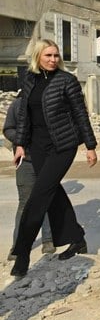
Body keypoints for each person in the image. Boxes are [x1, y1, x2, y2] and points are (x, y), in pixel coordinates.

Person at [9, 39, 98, 278]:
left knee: (38, 196)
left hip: (62, 146)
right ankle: (77, 238)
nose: (53, 59)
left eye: (56, 55)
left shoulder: (66, 81)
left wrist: (90, 145)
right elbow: (24, 118)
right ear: (38, 56)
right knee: (53, 193)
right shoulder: (28, 81)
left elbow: (81, 113)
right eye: (48, 55)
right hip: (37, 147)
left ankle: (22, 253)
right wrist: (19, 144)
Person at [4, 96, 55, 260]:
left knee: (45, 201)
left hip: (46, 160)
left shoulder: (49, 103)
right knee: (25, 203)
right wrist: (22, 139)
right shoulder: (17, 104)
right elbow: (8, 129)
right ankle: (18, 245)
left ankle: (48, 239)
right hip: (25, 162)